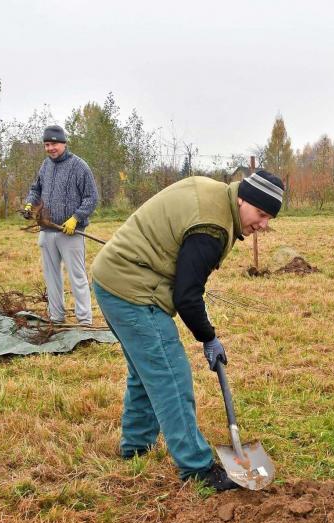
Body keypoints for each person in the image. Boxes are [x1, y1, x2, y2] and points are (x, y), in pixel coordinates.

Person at [91, 170, 284, 491]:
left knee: (146, 371)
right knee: (170, 376)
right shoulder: (212, 229)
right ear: (242, 199)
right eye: (261, 213)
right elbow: (187, 296)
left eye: (270, 217)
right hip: (132, 288)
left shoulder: (215, 195)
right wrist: (208, 337)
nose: (264, 224)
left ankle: (136, 447)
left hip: (111, 278)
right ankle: (197, 469)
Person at [22, 125, 99, 326]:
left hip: (71, 233)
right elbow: (35, 188)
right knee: (51, 276)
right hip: (47, 231)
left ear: (63, 143)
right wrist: (30, 203)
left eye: (54, 144)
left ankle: (84, 321)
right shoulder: (45, 165)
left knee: (77, 276)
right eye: (47, 144)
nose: (50, 148)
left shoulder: (80, 167)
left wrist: (76, 218)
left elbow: (91, 198)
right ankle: (56, 317)